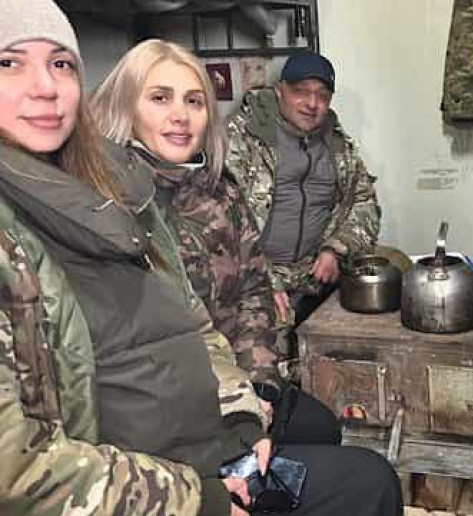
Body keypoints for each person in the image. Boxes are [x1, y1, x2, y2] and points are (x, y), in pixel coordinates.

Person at [0, 2, 402, 515]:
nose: (44, 87)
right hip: (152, 456)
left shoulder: (182, 192)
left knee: (333, 440)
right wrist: (208, 487)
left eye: (60, 64)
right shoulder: (125, 197)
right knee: (361, 478)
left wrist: (252, 396)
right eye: (9, 63)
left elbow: (242, 296)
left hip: (214, 398)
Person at [90, 38, 340, 446]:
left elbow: (253, 291)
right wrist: (234, 405)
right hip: (167, 410)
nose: (180, 116)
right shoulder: (103, 203)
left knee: (322, 427)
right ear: (126, 106)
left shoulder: (220, 191)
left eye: (194, 101)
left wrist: (259, 383)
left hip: (238, 378)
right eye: (160, 98)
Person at [226, 50, 380, 331]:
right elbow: (222, 221)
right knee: (264, 346)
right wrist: (264, 279)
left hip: (316, 279)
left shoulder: (339, 146)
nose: (312, 104)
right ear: (279, 91)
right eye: (301, 92)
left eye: (322, 96)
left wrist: (336, 249)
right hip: (255, 278)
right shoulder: (243, 138)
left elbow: (363, 201)